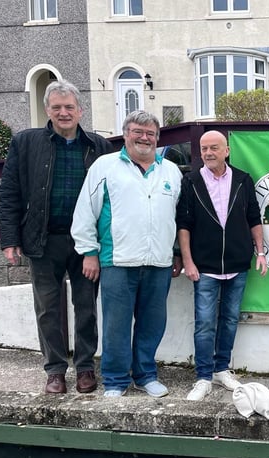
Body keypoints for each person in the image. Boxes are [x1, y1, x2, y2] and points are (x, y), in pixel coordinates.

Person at [0, 80, 113, 394]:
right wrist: (10, 239)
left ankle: (86, 367)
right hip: (42, 240)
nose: (63, 113)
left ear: (80, 110)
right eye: (57, 107)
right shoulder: (25, 142)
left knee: (86, 306)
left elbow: (110, 198)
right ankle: (55, 370)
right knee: (48, 309)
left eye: (69, 107)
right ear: (48, 110)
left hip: (86, 244)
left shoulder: (98, 147)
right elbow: (9, 193)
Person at [71, 110, 183, 398]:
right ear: (126, 134)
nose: (144, 138)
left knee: (152, 324)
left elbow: (178, 218)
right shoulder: (105, 166)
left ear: (158, 138)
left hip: (159, 261)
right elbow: (86, 211)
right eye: (138, 131)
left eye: (150, 133)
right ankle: (116, 380)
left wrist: (177, 253)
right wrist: (89, 252)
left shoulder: (170, 170)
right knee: (116, 326)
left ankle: (145, 376)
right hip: (117, 260)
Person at [176, 130, 268, 401]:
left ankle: (221, 369)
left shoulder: (242, 180)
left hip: (238, 264)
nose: (208, 153)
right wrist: (188, 262)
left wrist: (260, 252)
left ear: (226, 150)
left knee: (229, 320)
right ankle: (203, 377)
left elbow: (254, 217)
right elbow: (184, 225)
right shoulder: (191, 181)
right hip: (204, 267)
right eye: (204, 149)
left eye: (214, 148)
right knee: (204, 323)